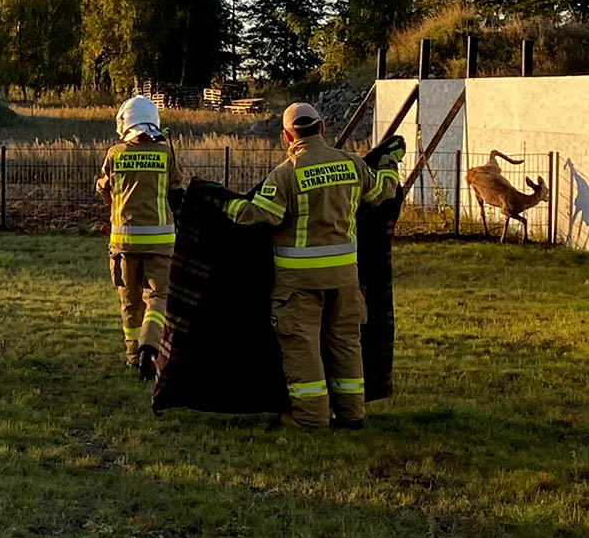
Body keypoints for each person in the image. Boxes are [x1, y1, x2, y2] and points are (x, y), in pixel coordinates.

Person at [210, 103, 403, 428]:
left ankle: (311, 418)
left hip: (299, 285)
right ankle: (352, 414)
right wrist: (390, 166)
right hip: (346, 279)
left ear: (288, 135)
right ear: (322, 128)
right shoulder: (351, 164)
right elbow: (381, 194)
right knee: (345, 343)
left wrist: (223, 204)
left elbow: (259, 215)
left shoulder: (287, 173)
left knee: (303, 347)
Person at [95, 97, 184, 380]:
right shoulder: (164, 153)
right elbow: (176, 194)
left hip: (124, 242)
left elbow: (103, 188)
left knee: (130, 300)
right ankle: (150, 346)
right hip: (160, 242)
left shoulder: (115, 153)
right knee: (158, 297)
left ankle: (133, 357)